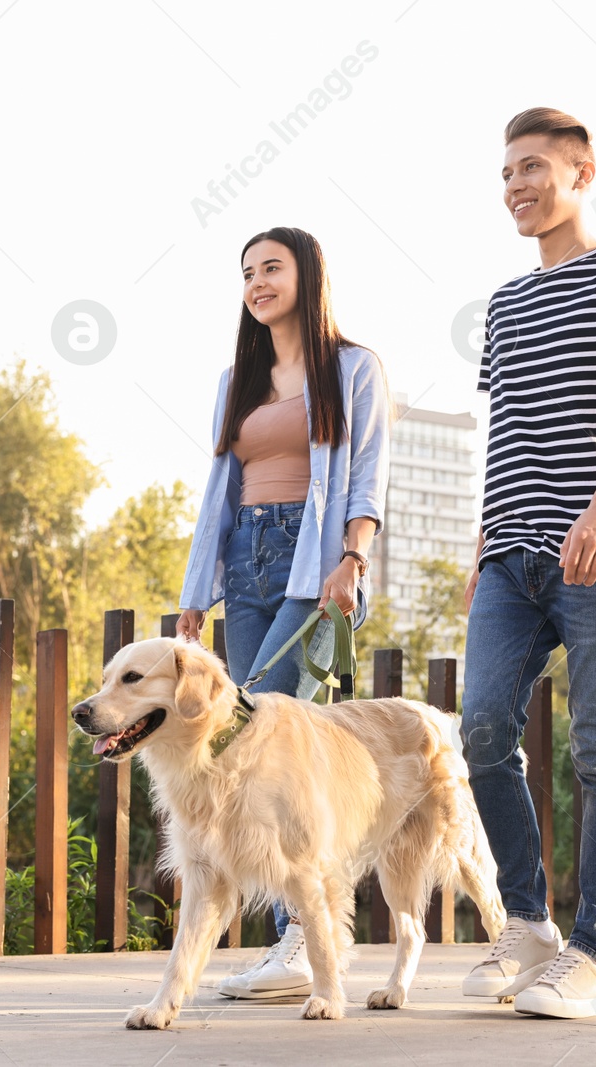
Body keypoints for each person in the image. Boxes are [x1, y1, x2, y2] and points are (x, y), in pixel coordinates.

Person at [459, 108, 596, 1019]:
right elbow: (503, 430)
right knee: (479, 730)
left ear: (583, 172)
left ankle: (589, 951)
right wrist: (481, 543)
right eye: (507, 171)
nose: (517, 185)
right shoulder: (505, 304)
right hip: (510, 553)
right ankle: (529, 919)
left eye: (535, 167)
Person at [177, 225, 391, 1000]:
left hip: (312, 567)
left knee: (283, 746)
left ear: (307, 273)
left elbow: (367, 474)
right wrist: (196, 594)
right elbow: (217, 497)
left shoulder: (354, 368)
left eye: (271, 267)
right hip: (248, 566)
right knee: (244, 743)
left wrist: (352, 558)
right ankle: (294, 938)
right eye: (247, 273)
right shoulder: (239, 378)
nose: (258, 282)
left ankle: (302, 939)